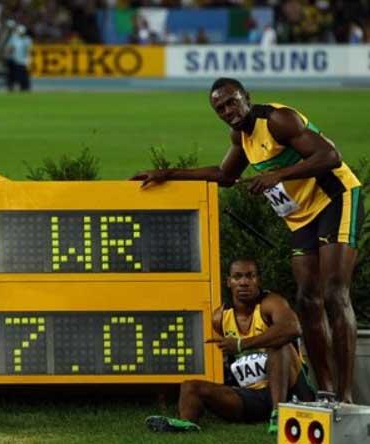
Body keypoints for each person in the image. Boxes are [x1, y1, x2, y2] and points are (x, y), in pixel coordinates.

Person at [131, 77, 364, 403]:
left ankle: (346, 396)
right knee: (308, 299)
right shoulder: (241, 135)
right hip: (301, 217)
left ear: (246, 98)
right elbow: (225, 176)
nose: (228, 111)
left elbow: (331, 156)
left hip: (335, 198)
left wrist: (277, 175)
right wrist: (168, 174)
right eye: (220, 108)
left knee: (333, 293)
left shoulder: (279, 120)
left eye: (231, 102)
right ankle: (326, 393)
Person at [145, 259, 315, 434]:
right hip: (250, 395)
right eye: (237, 277)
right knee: (190, 386)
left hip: (291, 392)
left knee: (280, 345)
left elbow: (292, 328)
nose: (243, 282)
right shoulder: (220, 318)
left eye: (250, 276)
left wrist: (242, 344)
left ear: (259, 281)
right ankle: (185, 424)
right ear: (228, 282)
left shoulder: (271, 303)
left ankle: (278, 414)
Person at [7, 25, 32, 92]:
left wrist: (28, 59)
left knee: (24, 75)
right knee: (16, 75)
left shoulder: (27, 39)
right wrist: (10, 52)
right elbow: (10, 48)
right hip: (15, 60)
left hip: (24, 60)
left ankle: (25, 88)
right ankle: (15, 87)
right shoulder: (14, 38)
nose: (21, 33)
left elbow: (28, 50)